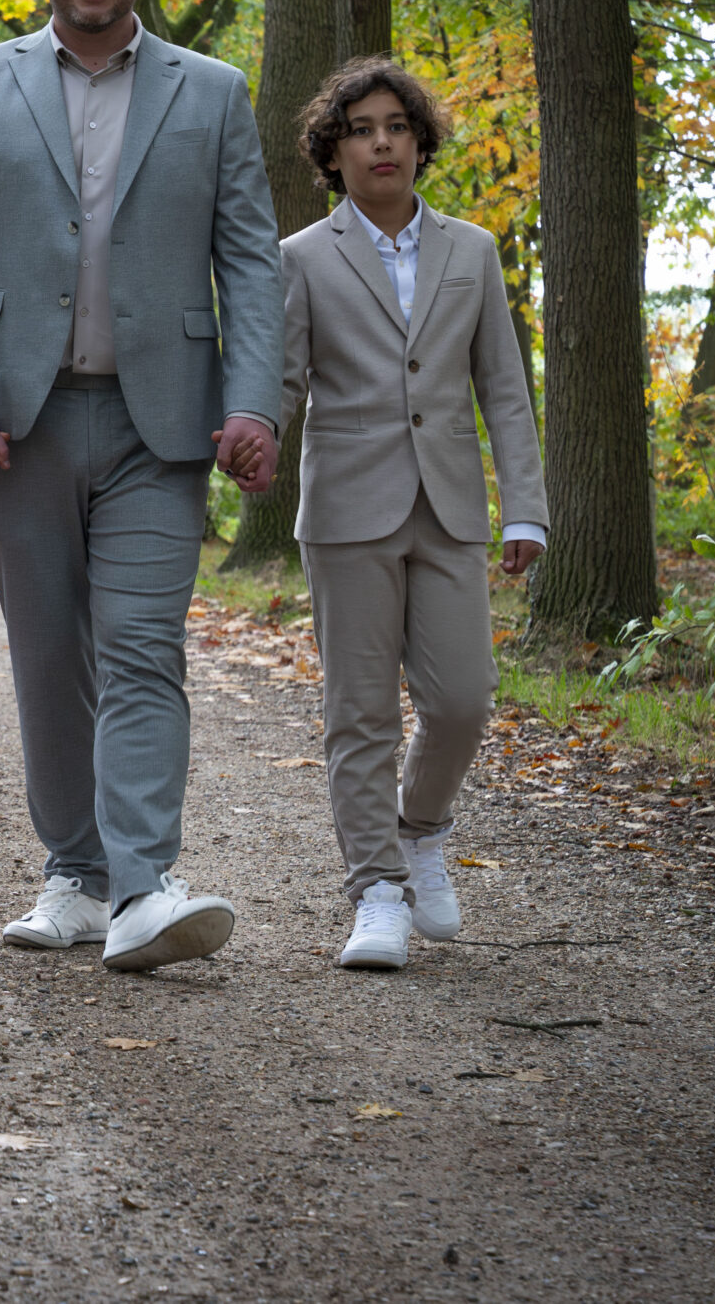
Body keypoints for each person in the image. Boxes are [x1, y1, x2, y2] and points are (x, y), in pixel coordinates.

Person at [0, 0, 284, 973]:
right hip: (18, 424)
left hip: (159, 427)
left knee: (140, 647)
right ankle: (73, 875)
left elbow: (249, 264)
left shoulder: (211, 92)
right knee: (47, 655)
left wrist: (255, 401)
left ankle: (143, 884)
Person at [275, 57, 547, 970]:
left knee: (463, 698)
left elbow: (503, 388)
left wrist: (525, 508)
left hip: (451, 506)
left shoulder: (472, 251)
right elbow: (282, 381)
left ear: (421, 144)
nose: (381, 142)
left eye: (396, 126)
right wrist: (249, 442)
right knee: (359, 713)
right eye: (361, 130)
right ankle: (378, 893)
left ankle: (420, 826)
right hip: (345, 507)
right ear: (334, 153)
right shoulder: (302, 258)